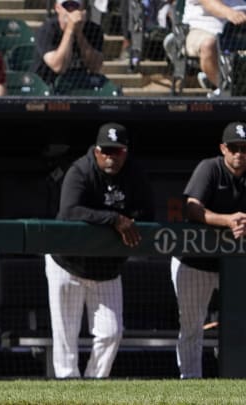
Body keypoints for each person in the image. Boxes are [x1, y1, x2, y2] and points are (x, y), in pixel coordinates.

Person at [44, 123, 154, 378]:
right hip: (68, 265)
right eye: (105, 150)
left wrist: (126, 220)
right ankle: (68, 390)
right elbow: (70, 211)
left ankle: (94, 384)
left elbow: (147, 214)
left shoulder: (135, 174)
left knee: (111, 332)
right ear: (96, 151)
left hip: (107, 268)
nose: (110, 156)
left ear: (125, 152)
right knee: (66, 337)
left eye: (116, 151)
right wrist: (115, 220)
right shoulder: (80, 170)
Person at [170, 122, 246, 379]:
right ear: (223, 148)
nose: (239, 153)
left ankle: (238, 378)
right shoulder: (210, 168)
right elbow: (192, 208)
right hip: (195, 262)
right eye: (234, 147)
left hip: (234, 264)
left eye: (244, 148)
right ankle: (190, 381)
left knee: (239, 325)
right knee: (192, 327)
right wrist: (227, 220)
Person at [32, 0, 104, 87]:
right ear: (57, 8)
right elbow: (58, 66)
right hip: (47, 85)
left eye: (75, 6)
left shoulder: (93, 30)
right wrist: (69, 30)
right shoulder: (47, 30)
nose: (71, 10)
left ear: (82, 9)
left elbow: (95, 67)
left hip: (79, 85)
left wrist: (78, 33)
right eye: (66, 6)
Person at [182, 0, 246, 95]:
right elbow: (209, 3)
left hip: (240, 27)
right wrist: (230, 13)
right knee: (208, 45)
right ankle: (223, 87)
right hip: (203, 27)